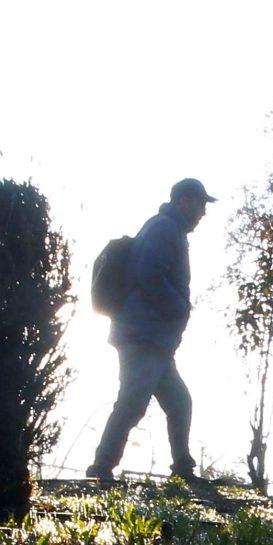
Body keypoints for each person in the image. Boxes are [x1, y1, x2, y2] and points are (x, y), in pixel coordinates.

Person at [89, 177, 213, 483]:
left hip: (153, 337)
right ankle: (101, 467)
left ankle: (182, 467)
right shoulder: (164, 229)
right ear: (183, 201)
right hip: (143, 335)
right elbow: (149, 275)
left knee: (178, 401)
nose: (203, 213)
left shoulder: (167, 229)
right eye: (200, 204)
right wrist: (179, 307)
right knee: (133, 401)